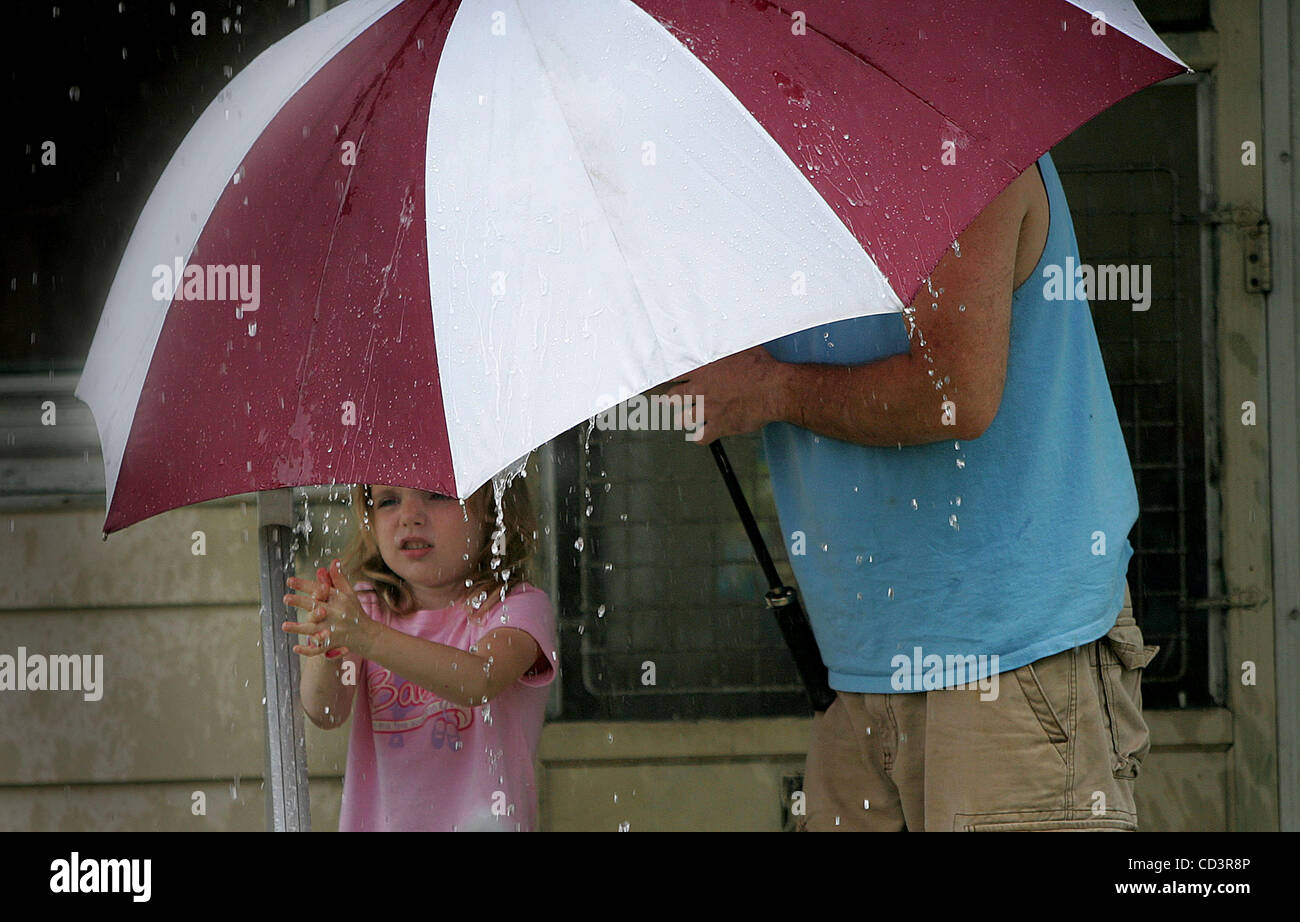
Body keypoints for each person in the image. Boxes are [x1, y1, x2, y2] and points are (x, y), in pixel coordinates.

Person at [668, 152, 1158, 831]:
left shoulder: (959, 140)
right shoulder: (771, 167)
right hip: (859, 662)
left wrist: (767, 389)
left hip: (1012, 657)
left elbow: (954, 393)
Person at [282, 477, 557, 832]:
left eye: (438, 494)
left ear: (493, 510)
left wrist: (367, 635)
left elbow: (479, 679)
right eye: (388, 501)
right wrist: (327, 639)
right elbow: (326, 710)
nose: (410, 516)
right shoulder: (367, 606)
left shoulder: (515, 607)